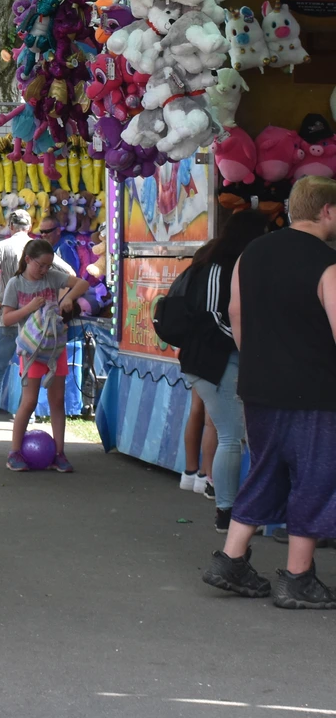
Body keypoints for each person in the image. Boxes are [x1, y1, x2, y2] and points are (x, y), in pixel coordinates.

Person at [203, 177, 336, 608]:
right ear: (328, 211)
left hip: (259, 385)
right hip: (314, 390)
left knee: (267, 470)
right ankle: (297, 577)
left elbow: (235, 313)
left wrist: (262, 362)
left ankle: (231, 558)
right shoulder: (328, 263)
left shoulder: (252, 253)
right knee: (314, 477)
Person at [174, 210, 269, 531]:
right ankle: (226, 511)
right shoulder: (219, 267)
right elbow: (212, 316)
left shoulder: (222, 263)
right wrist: (247, 344)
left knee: (232, 434)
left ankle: (228, 506)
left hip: (214, 360)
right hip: (211, 360)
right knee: (232, 436)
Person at [0, 210, 73, 430]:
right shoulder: (38, 249)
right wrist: (62, 301)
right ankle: (25, 416)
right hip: (38, 325)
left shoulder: (2, 247)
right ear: (29, 227)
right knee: (30, 370)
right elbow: (69, 272)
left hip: (9, 316)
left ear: (10, 226)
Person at [0, 239, 88, 472]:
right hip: (31, 350)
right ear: (28, 260)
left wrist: (68, 297)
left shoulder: (52, 278)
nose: (45, 270)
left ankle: (59, 452)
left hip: (55, 347)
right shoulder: (15, 284)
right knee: (28, 402)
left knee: (57, 401)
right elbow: (6, 319)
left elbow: (82, 283)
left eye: (49, 266)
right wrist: (29, 308)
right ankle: (15, 452)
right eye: (41, 265)